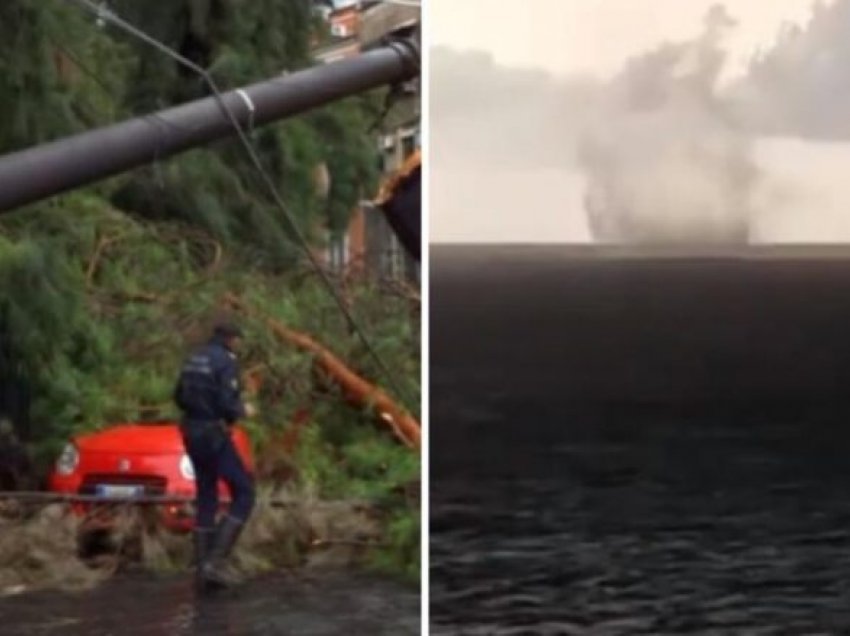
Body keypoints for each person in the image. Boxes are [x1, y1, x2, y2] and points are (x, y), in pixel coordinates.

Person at [174, 322, 256, 590]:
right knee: (244, 491)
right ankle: (214, 563)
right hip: (213, 433)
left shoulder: (193, 358)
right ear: (231, 339)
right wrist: (243, 410)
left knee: (206, 494)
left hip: (190, 432)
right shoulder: (225, 361)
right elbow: (226, 403)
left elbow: (178, 396)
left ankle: (202, 570)